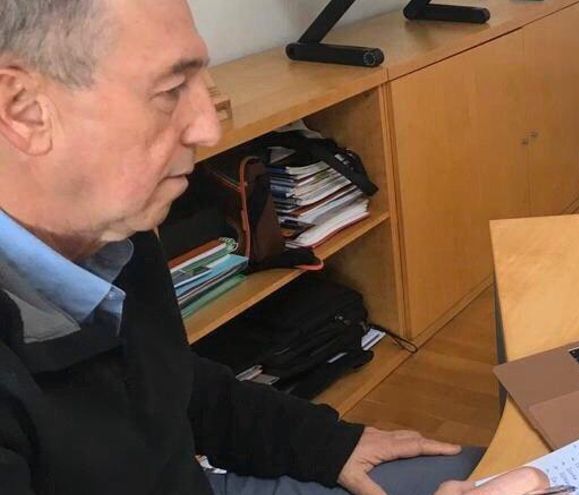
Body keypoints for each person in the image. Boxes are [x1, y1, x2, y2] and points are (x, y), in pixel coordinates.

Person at [0, 1, 549, 495]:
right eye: (171, 91)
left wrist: (328, 446)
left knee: (512, 475)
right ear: (23, 108)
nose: (210, 127)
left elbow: (171, 384)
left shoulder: (111, 229)